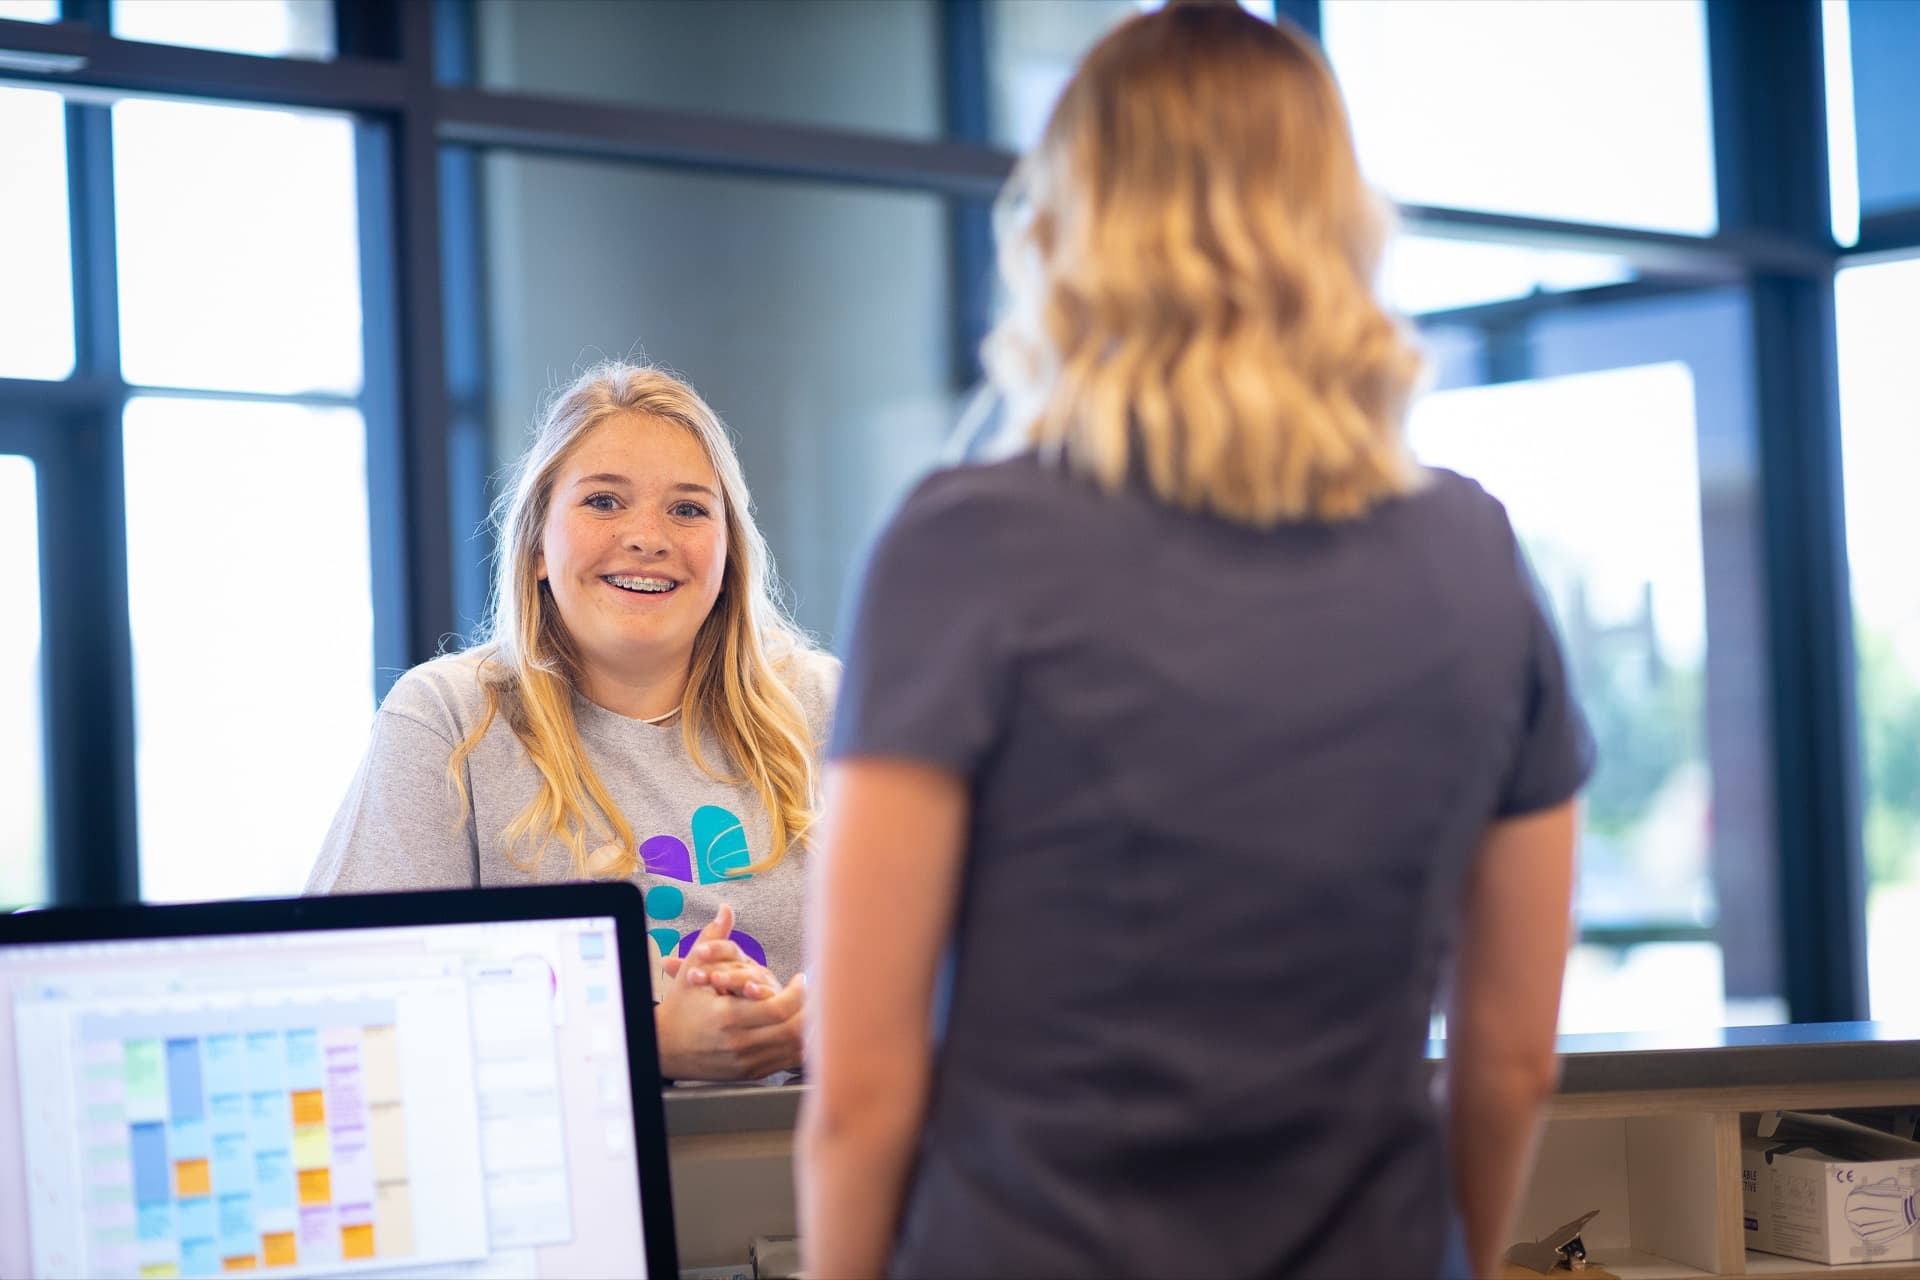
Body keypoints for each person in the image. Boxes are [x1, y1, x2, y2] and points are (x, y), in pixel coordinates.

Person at [798, 5, 1592, 1277]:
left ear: (1064, 233)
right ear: (1338, 231)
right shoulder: (1473, 556)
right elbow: (1510, 1059)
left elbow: (861, 1091)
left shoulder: (964, 547)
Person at [307, 362, 837, 1083]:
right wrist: (643, 1045)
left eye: (688, 509)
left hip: (806, 1169)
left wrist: (817, 1022)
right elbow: (354, 1014)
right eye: (604, 501)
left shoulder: (824, 707)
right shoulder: (448, 720)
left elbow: (938, 967)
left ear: (729, 557)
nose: (648, 537)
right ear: (535, 552)